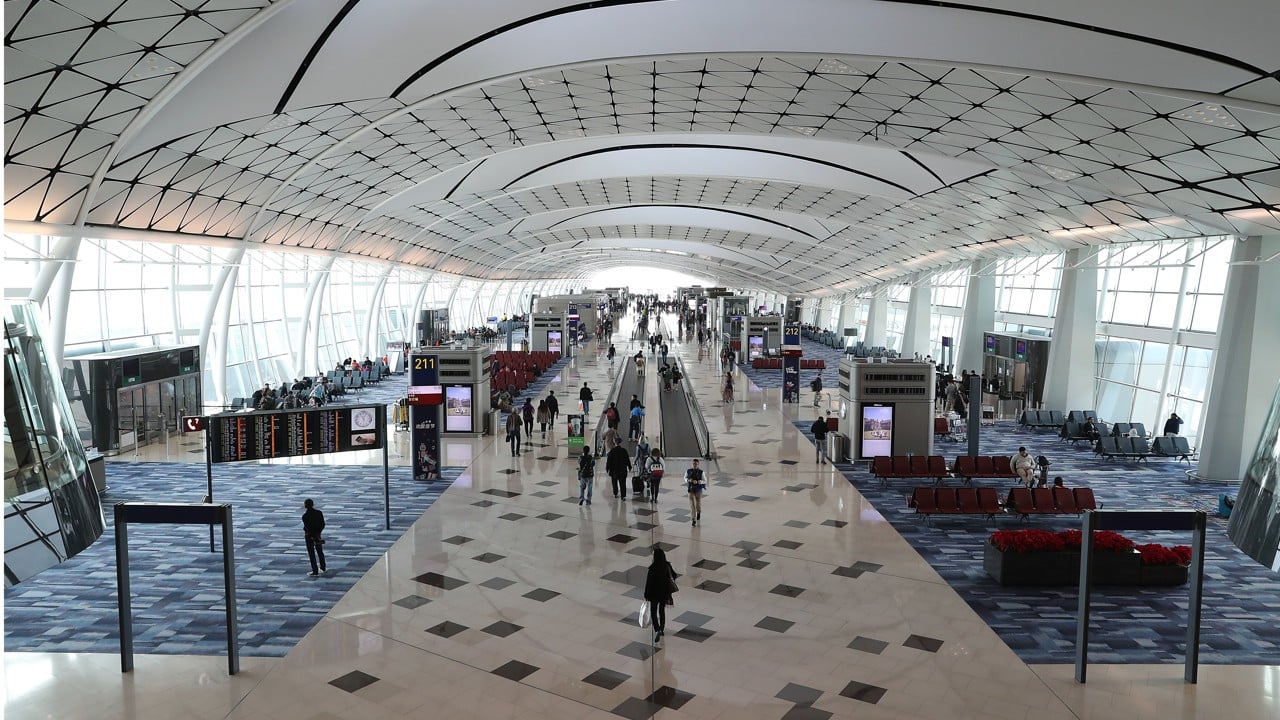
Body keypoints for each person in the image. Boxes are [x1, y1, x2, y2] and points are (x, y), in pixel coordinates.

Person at [643, 547, 678, 646]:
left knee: (653, 612)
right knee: (661, 610)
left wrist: (646, 594)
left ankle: (657, 629)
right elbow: (674, 575)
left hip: (654, 594)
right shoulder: (667, 565)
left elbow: (648, 583)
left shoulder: (652, 568)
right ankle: (662, 629)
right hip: (664, 593)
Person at [302, 498, 326, 576]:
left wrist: (311, 535)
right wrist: (318, 533)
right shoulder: (319, 513)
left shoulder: (305, 516)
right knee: (320, 551)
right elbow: (322, 524)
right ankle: (323, 567)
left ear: (305, 506)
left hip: (309, 536)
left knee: (311, 553)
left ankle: (315, 570)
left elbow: (307, 527)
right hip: (318, 534)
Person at [685, 459, 706, 526]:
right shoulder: (688, 471)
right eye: (693, 464)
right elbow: (684, 478)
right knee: (692, 505)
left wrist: (698, 482)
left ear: (698, 465)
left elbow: (705, 481)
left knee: (698, 503)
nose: (694, 465)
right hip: (690, 490)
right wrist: (688, 480)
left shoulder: (701, 472)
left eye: (696, 464)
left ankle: (699, 512)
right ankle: (693, 519)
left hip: (698, 490)